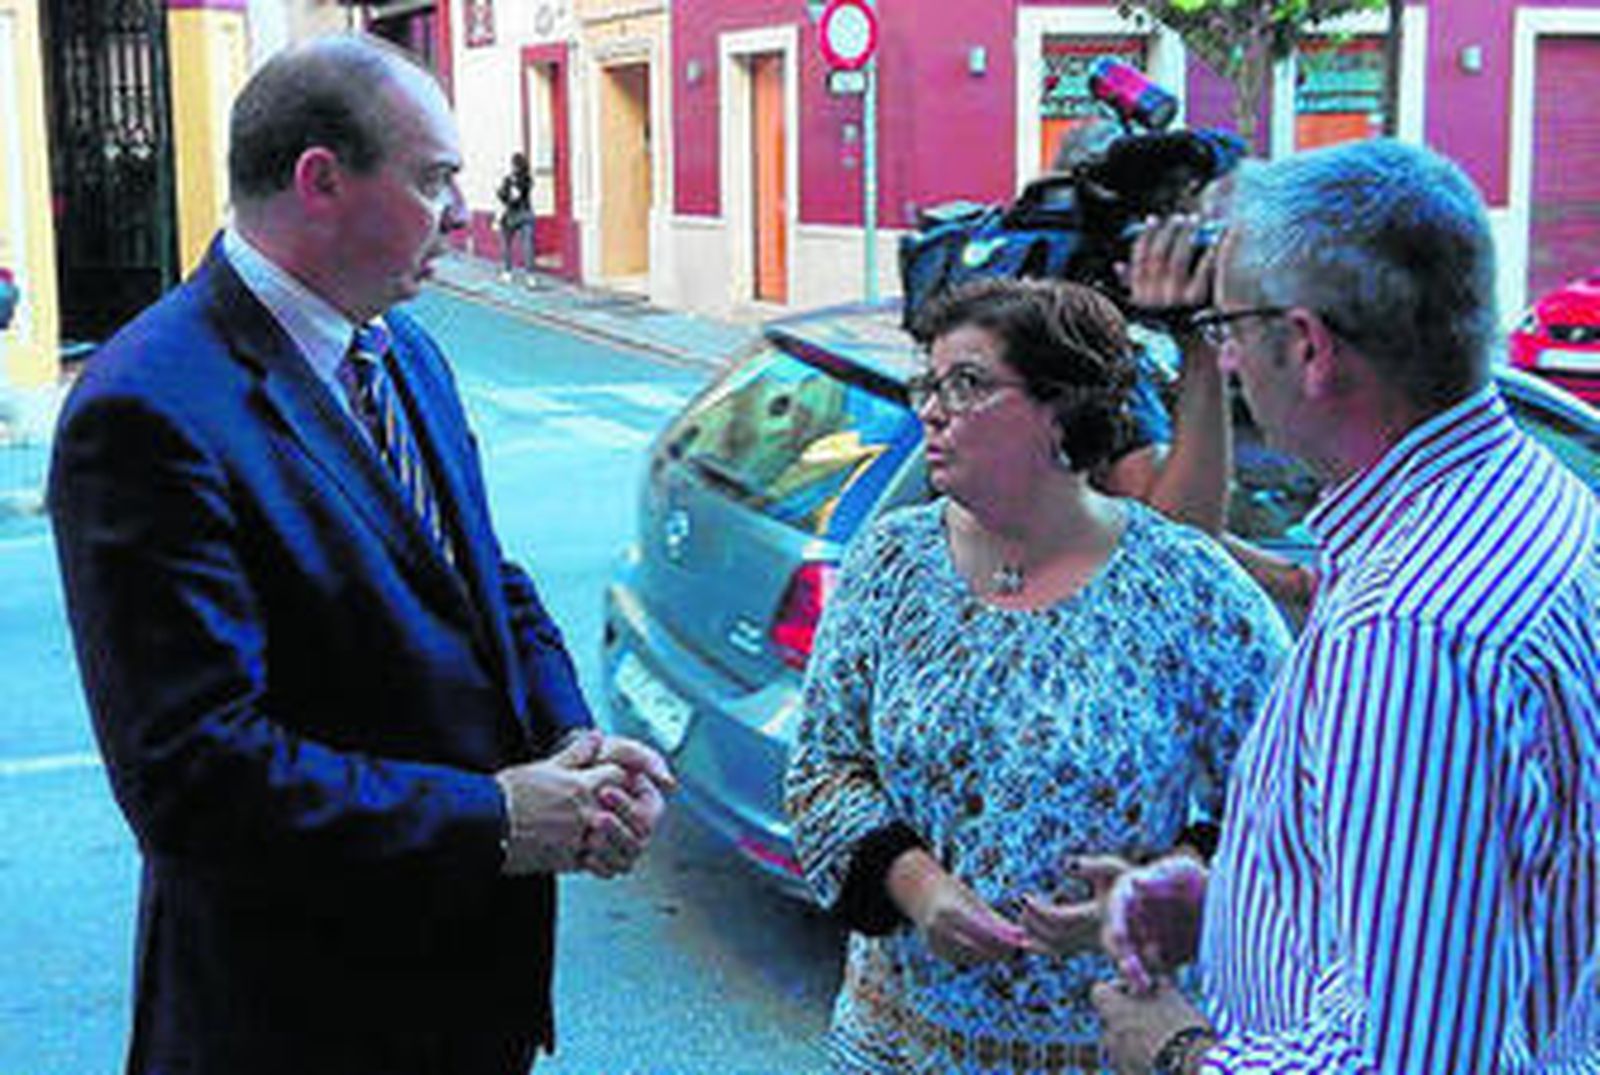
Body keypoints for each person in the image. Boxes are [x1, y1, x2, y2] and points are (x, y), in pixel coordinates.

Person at [48, 35, 674, 1075]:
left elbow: (486, 583)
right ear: (322, 182)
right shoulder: (147, 406)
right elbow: (197, 781)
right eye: (434, 181)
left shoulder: (404, 347)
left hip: (465, 1003)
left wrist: (574, 747)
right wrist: (502, 817)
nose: (467, 215)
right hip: (297, 1024)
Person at [1092, 139, 1600, 1073]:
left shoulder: (1413, 635)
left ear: (1308, 347)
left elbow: (1415, 1062)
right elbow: (1480, 887)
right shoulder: (1531, 493)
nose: (1229, 359)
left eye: (1228, 328)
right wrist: (1231, 898)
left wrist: (1179, 1054)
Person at [784, 277, 1291, 1072]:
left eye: (969, 384)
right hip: (899, 1043)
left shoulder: (1190, 586)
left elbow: (1290, 800)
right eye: (931, 381)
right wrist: (918, 887)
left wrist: (1170, 887)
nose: (933, 408)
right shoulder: (891, 562)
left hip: (1109, 1042)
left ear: (1063, 412)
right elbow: (823, 769)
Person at [498, 150, 536, 284]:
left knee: (505, 243)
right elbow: (526, 191)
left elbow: (503, 196)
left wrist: (507, 189)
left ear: (513, 165)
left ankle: (507, 272)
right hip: (527, 213)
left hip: (512, 215)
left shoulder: (510, 179)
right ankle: (530, 276)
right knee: (528, 245)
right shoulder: (528, 179)